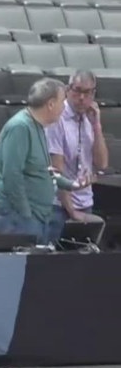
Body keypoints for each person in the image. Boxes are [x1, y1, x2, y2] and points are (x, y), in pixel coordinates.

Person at [0, 78, 76, 243]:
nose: (64, 107)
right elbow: (12, 175)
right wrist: (26, 213)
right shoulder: (20, 127)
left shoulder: (38, 127)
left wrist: (72, 184)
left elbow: (44, 171)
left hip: (35, 217)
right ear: (50, 104)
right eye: (62, 102)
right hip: (18, 219)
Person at [46, 70, 110, 244]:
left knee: (82, 265)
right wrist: (71, 210)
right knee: (56, 263)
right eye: (78, 91)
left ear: (93, 94)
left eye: (87, 92)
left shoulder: (90, 118)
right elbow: (57, 171)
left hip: (85, 202)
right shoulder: (57, 119)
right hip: (59, 206)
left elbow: (102, 163)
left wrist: (96, 125)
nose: (82, 97)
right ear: (68, 90)